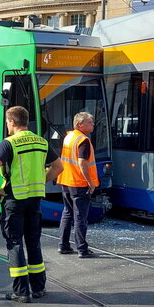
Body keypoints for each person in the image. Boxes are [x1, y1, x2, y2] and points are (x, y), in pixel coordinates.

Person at [0, 106, 62, 303]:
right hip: (35, 199)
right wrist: (40, 179)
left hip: (14, 199)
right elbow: (58, 167)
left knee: (15, 242)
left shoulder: (8, 143)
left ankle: (21, 291)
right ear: (27, 121)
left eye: (7, 123)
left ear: (11, 122)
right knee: (33, 242)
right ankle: (38, 287)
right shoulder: (41, 141)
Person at [57, 111, 99, 259]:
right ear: (80, 124)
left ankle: (63, 245)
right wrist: (90, 182)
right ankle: (82, 249)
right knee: (80, 216)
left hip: (66, 181)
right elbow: (82, 162)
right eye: (90, 122)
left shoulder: (69, 136)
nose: (93, 124)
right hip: (79, 183)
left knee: (67, 213)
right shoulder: (83, 140)